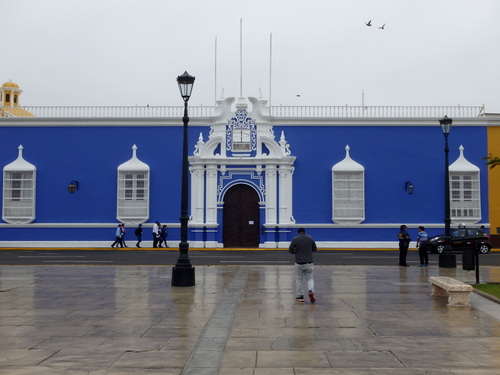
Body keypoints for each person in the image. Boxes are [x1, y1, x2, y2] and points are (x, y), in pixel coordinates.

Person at [289, 228, 317, 303]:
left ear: (298, 232)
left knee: (299, 279)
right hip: (309, 262)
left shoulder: (295, 239)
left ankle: (300, 296)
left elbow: (290, 250)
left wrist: (296, 251)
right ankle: (311, 290)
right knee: (310, 278)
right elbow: (314, 249)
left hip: (299, 262)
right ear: (305, 232)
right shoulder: (310, 238)